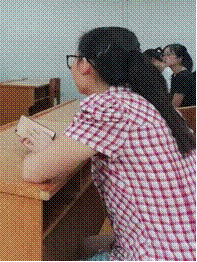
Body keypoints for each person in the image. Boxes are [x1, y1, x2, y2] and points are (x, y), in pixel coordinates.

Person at [20, 27, 196, 260]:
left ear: (85, 65)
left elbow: (32, 171)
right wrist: (53, 151)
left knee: (61, 248)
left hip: (157, 253)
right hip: (181, 243)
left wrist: (44, 152)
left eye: (74, 59)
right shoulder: (151, 101)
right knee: (80, 245)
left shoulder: (110, 106)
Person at [162, 43, 196, 107]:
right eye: (163, 55)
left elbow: (175, 105)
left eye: (168, 55)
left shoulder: (184, 76)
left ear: (180, 58)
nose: (164, 58)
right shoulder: (176, 75)